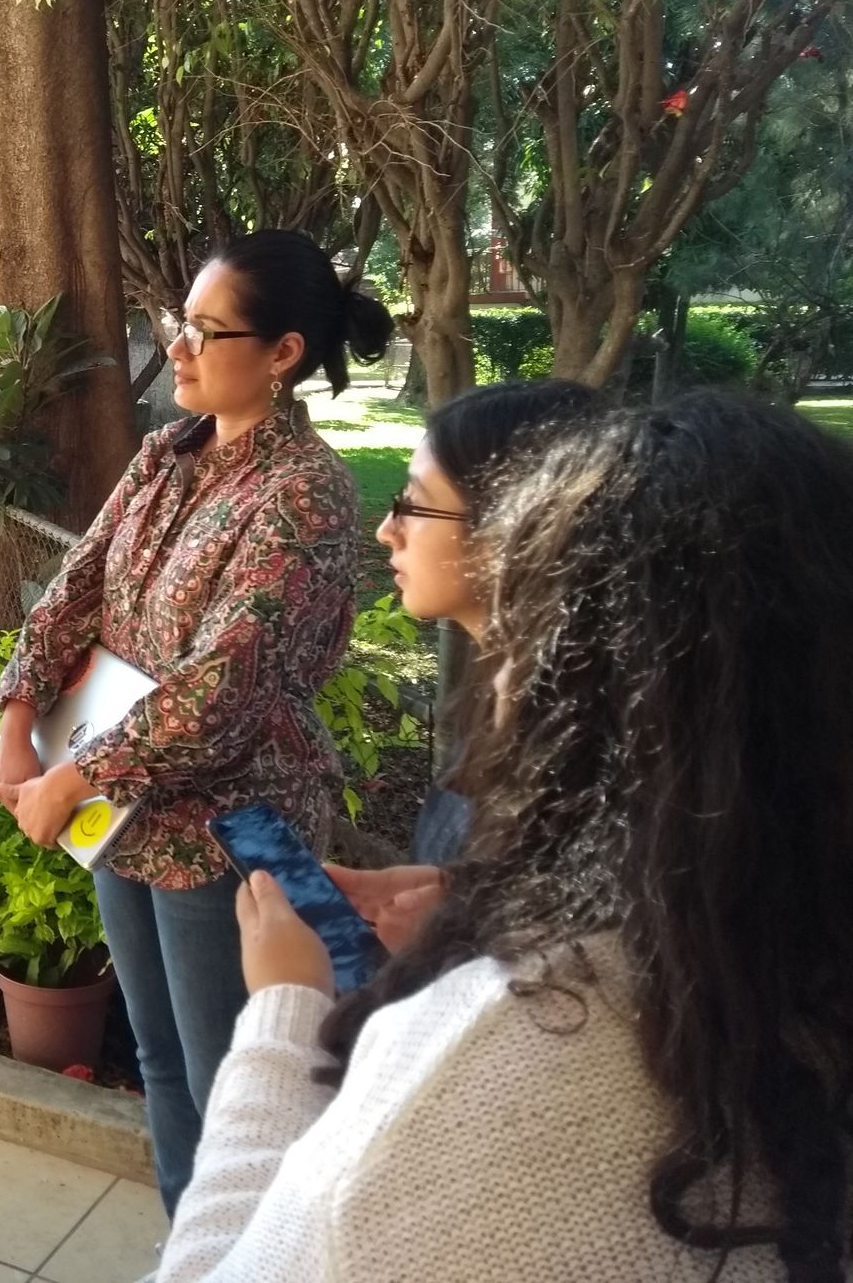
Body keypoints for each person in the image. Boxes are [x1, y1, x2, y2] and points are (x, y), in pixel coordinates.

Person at [158, 390, 853, 1281]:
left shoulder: (498, 1055)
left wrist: (284, 1017)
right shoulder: (769, 948)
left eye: (532, 631)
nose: (500, 681)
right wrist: (486, 910)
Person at [0, 229, 391, 1216]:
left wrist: (69, 781)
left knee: (233, 1091)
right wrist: (17, 717)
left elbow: (230, 682)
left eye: (205, 332)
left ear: (283, 352)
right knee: (160, 1059)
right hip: (125, 817)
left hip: (225, 832)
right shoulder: (169, 452)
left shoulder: (305, 494)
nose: (176, 349)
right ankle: (189, 1249)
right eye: (181, 324)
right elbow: (78, 581)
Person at [327, 379, 600, 950]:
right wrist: (451, 894)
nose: (386, 529)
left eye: (413, 502)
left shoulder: (589, 759)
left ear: (515, 528)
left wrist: (449, 944)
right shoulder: (512, 693)